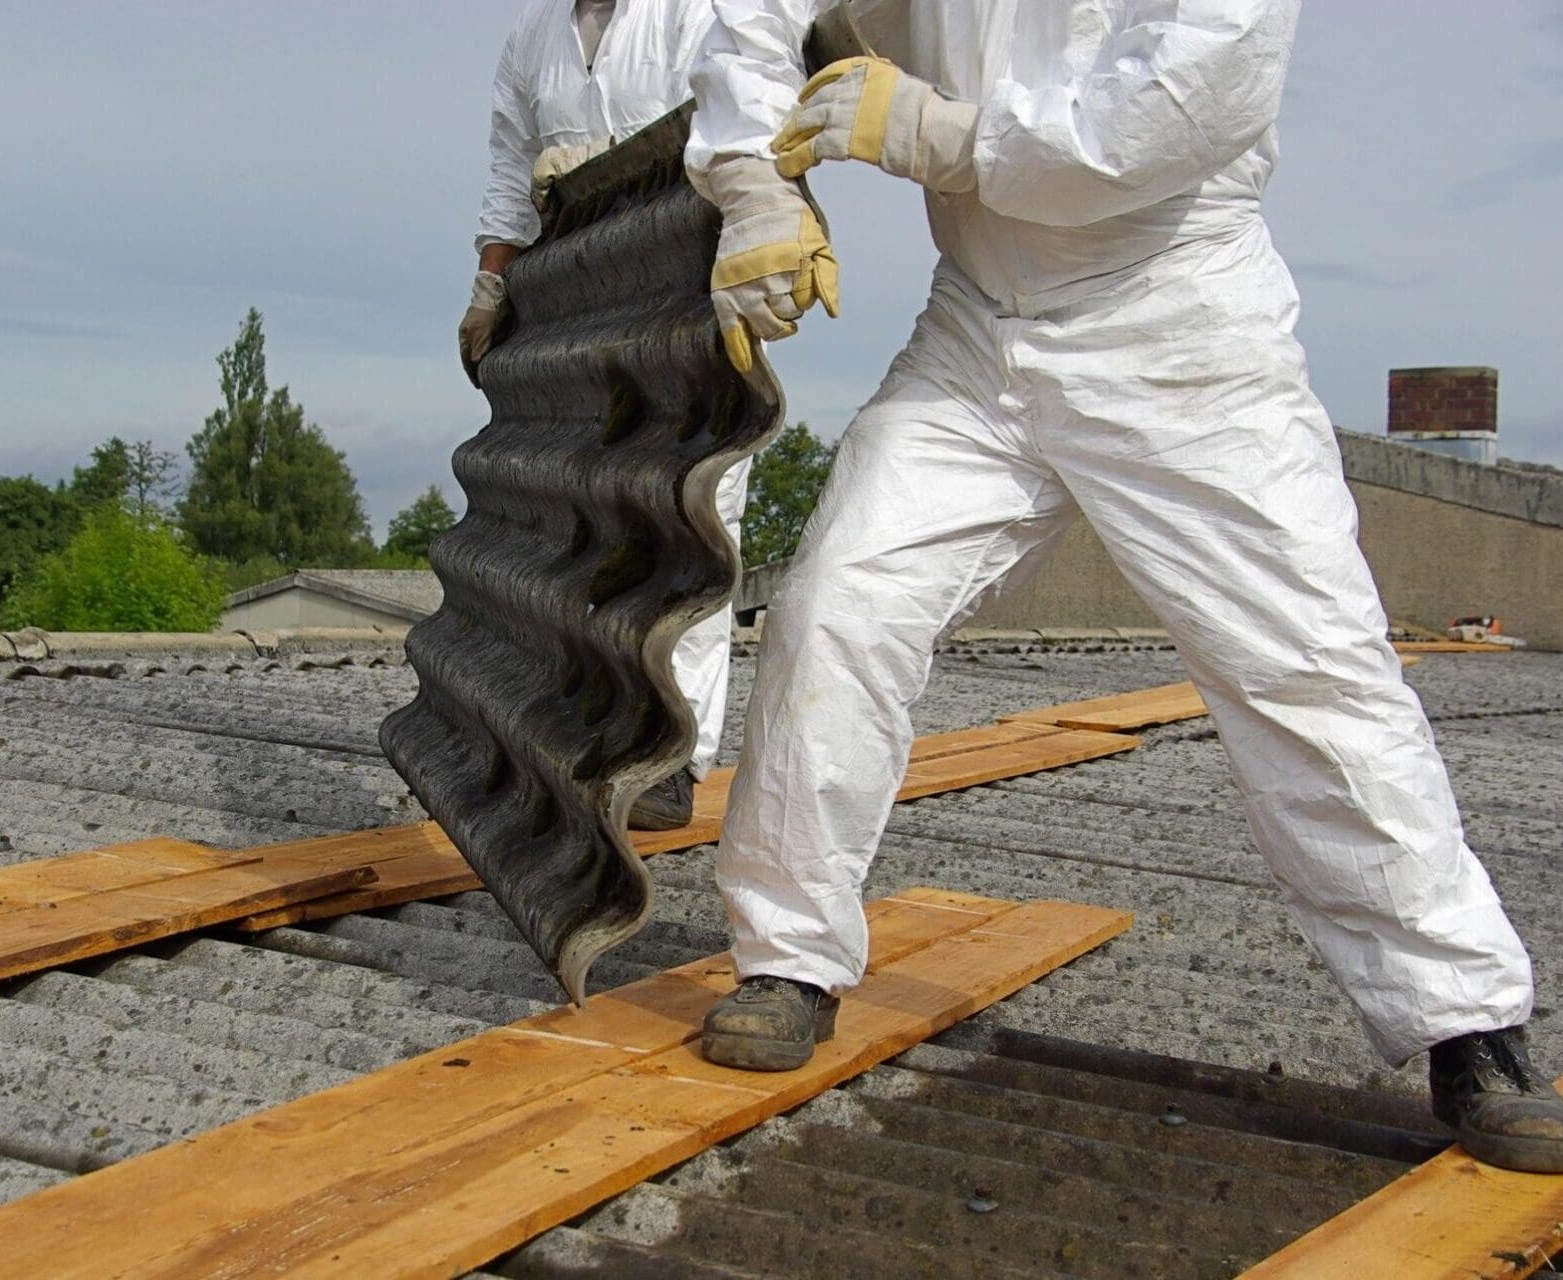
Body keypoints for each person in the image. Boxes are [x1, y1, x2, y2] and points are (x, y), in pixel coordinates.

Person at [683, 0, 1563, 1172]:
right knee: (835, 602)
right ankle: (787, 956)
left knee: (1306, 664)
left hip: (1178, 326)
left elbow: (1159, 117)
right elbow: (757, 15)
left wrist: (938, 136)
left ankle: (1467, 1021)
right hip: (976, 332)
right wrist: (755, 187)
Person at [464, 0, 747, 830]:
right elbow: (509, 171)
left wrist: (625, 165)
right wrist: (491, 284)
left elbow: (746, 122)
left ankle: (674, 756)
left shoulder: (697, 11)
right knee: (586, 516)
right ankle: (585, 728)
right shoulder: (535, 37)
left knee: (692, 514)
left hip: (692, 281)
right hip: (580, 298)